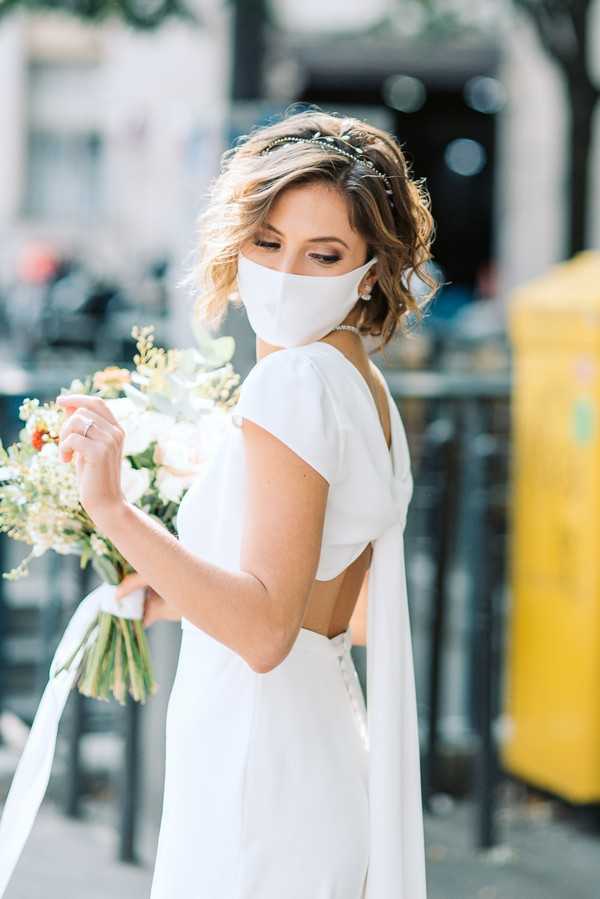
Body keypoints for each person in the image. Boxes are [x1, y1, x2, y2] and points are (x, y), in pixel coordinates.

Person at [59, 108, 438, 898]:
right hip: (317, 743)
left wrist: (112, 509)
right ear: (238, 237)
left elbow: (266, 633)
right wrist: (174, 595)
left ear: (370, 268)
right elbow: (348, 614)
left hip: (258, 765)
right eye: (268, 243)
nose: (286, 272)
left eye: (323, 253)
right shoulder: (359, 384)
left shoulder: (292, 383)